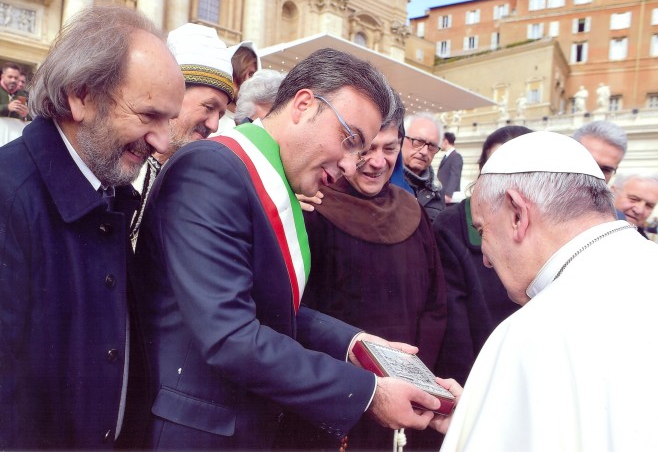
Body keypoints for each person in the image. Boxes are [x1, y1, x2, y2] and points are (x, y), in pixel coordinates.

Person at [129, 47, 441, 450]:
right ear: (303, 105)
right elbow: (231, 335)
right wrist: (368, 393)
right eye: (350, 140)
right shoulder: (211, 169)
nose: (351, 165)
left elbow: (267, 307)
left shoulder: (266, 175)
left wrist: (354, 343)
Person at [433, 131, 658, 451]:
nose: (485, 258)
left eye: (482, 229)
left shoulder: (532, 331)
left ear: (517, 214)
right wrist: (483, 414)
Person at [0, 5, 184, 449]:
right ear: (81, 96)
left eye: (169, 120)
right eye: (148, 115)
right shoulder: (9, 198)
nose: (162, 141)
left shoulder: (107, 189)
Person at [294, 91, 447, 450]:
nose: (378, 162)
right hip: (335, 396)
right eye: (366, 149)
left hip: (404, 393)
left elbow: (435, 305)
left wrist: (417, 379)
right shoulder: (311, 208)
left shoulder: (413, 211)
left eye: (390, 149)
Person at [432, 125, 532, 386]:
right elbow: (454, 332)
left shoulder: (547, 227)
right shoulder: (451, 227)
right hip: (478, 376)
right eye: (495, 170)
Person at [129, 22, 236, 245]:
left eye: (220, 113)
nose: (214, 125)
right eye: (209, 107)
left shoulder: (193, 174)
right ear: (173, 93)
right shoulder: (121, 160)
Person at [402, 112, 445, 221]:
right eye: (418, 141)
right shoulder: (380, 180)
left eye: (432, 146)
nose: (424, 152)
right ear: (401, 138)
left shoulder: (437, 191)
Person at [612, 172, 658, 237]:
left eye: (649, 205)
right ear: (612, 193)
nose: (639, 210)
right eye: (634, 199)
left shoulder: (644, 243)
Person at [437, 131, 463, 204]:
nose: (440, 144)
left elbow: (455, 175)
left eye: (441, 141)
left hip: (448, 198)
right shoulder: (446, 157)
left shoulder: (456, 156)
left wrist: (448, 194)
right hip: (442, 196)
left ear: (445, 141)